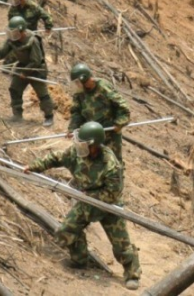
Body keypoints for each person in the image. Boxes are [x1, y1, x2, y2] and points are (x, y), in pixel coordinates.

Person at [25, 121, 141, 290]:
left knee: (121, 245)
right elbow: (56, 158)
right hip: (85, 202)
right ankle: (79, 259)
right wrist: (34, 166)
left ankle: (132, 274)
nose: (81, 148)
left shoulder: (111, 164)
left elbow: (112, 194)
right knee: (67, 230)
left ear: (95, 146)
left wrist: (90, 196)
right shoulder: (76, 154)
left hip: (108, 206)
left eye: (85, 145)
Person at [0, 16, 54, 125]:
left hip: (36, 70)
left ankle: (49, 116)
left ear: (22, 31)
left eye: (14, 32)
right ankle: (17, 115)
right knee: (14, 89)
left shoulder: (33, 40)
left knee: (42, 94)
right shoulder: (12, 40)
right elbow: (2, 51)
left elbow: (36, 61)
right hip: (22, 67)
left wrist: (25, 72)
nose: (12, 35)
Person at [68, 63, 131, 162]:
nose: (77, 85)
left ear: (84, 78)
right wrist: (72, 128)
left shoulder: (103, 87)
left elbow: (122, 107)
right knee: (90, 163)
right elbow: (77, 113)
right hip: (91, 134)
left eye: (77, 82)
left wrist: (119, 123)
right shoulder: (79, 94)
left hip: (110, 133)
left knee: (113, 163)